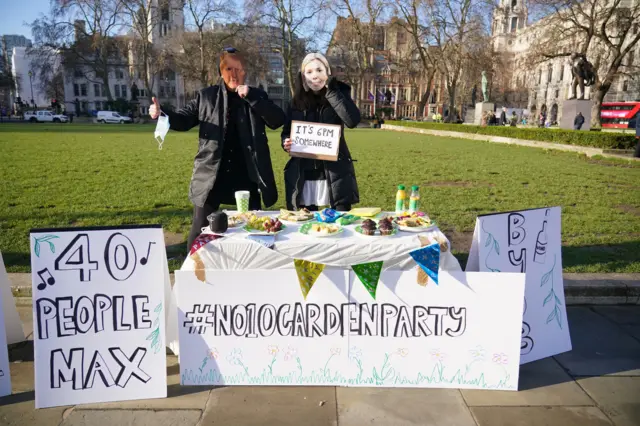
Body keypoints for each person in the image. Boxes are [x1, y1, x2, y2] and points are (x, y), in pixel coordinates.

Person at [149, 47, 286, 250]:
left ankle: (251, 270)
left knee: (253, 228)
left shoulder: (257, 95)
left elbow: (277, 120)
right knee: (200, 227)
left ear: (245, 71)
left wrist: (252, 98)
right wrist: (162, 113)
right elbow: (183, 120)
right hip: (212, 174)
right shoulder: (207, 96)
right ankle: (194, 270)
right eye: (229, 68)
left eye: (239, 69)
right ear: (221, 71)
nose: (234, 74)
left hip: (247, 174)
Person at [281, 52, 361, 212]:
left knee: (339, 224)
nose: (315, 76)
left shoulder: (340, 93)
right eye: (309, 72)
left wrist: (331, 91)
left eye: (319, 70)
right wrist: (286, 142)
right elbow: (287, 131)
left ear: (328, 72)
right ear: (303, 76)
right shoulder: (296, 101)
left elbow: (352, 120)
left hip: (335, 173)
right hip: (304, 174)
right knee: (305, 223)